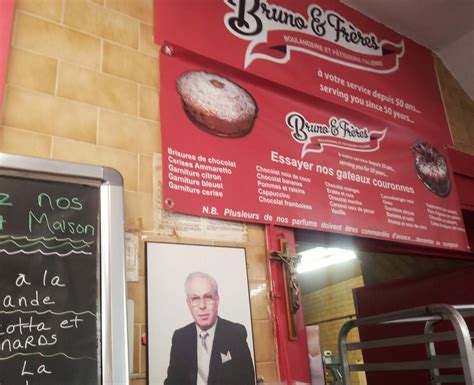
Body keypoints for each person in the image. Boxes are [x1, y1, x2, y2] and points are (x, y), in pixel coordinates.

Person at [164, 272, 255, 385]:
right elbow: (173, 381)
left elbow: (247, 381)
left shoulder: (235, 334)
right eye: (195, 298)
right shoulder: (180, 337)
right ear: (188, 303)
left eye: (208, 297)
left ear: (217, 300)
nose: (202, 306)